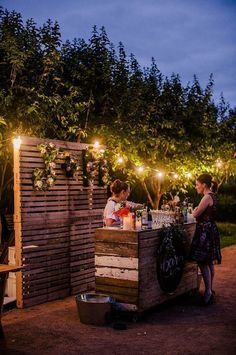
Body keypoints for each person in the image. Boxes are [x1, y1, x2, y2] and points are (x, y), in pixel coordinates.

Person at [189, 173, 221, 305]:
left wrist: (194, 210)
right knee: (208, 261)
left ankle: (207, 291)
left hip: (205, 232)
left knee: (202, 261)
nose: (196, 187)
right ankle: (210, 289)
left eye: (197, 184)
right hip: (210, 229)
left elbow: (196, 214)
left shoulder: (207, 197)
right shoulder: (213, 195)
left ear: (204, 185)